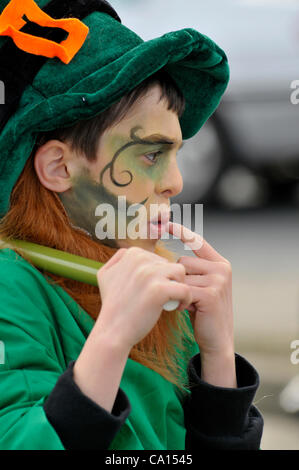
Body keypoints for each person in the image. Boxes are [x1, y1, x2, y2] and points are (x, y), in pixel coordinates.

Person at [0, 0, 263, 450]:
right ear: (60, 168)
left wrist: (218, 359)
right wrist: (112, 338)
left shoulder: (137, 270)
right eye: (150, 154)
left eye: (176, 154)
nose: (176, 183)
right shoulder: (11, 285)